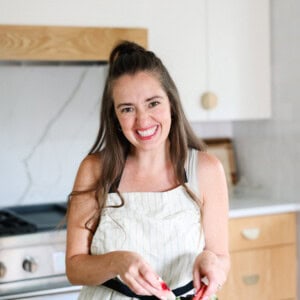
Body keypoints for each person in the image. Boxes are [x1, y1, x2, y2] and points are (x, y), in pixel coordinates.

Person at [66, 41, 230, 300]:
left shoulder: (206, 169)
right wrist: (117, 262)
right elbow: (75, 267)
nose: (142, 120)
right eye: (128, 109)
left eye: (153, 103)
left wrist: (211, 261)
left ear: (172, 104)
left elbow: (220, 255)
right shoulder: (95, 169)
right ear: (116, 117)